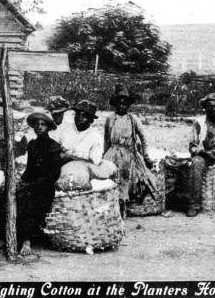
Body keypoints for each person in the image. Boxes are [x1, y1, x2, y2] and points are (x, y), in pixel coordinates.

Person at [12, 110, 62, 257]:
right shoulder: (32, 145)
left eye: (43, 124)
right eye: (36, 125)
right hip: (31, 183)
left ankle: (26, 240)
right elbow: (29, 169)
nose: (39, 127)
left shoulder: (54, 146)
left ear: (48, 127)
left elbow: (54, 174)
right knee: (8, 196)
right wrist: (21, 182)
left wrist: (33, 184)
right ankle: (11, 237)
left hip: (45, 186)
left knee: (29, 200)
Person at [103, 84, 156, 214]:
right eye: (119, 103)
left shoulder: (133, 119)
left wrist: (145, 155)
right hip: (113, 153)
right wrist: (103, 155)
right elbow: (106, 139)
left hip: (129, 153)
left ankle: (124, 203)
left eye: (125, 103)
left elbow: (143, 138)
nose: (122, 106)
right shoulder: (110, 118)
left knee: (132, 178)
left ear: (128, 105)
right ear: (115, 104)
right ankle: (113, 204)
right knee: (110, 176)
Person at [59, 100, 115, 179]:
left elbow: (94, 164)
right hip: (62, 171)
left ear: (91, 120)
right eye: (77, 114)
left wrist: (70, 158)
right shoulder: (66, 130)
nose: (79, 118)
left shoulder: (96, 137)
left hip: (81, 174)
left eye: (84, 116)